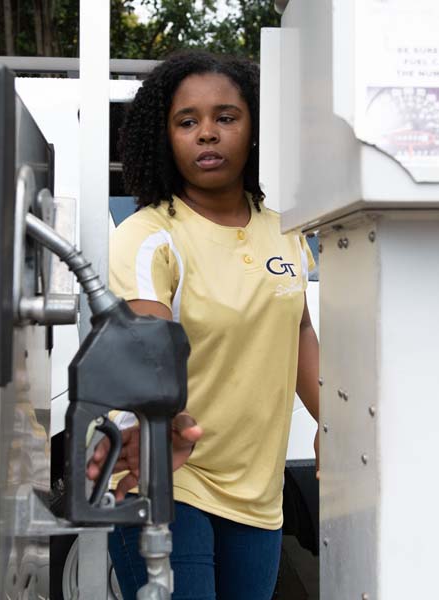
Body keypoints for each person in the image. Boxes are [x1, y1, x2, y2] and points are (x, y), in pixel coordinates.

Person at [87, 50, 320, 600]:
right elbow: (148, 353)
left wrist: (339, 428)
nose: (207, 134)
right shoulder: (150, 236)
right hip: (168, 475)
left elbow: (300, 330)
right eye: (187, 122)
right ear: (164, 137)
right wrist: (162, 420)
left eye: (226, 118)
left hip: (258, 491)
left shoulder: (284, 228)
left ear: (255, 127)